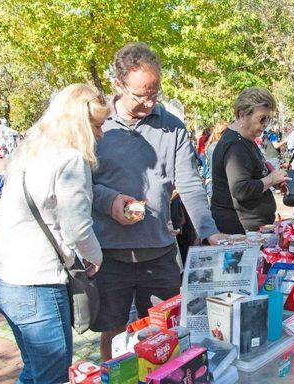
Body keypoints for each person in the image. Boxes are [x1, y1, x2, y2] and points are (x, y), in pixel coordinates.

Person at [91, 42, 226, 360]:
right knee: (113, 336)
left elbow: (191, 185)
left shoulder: (173, 127)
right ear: (118, 84)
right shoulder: (96, 126)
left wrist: (209, 231)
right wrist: (112, 203)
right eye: (140, 95)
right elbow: (81, 186)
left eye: (155, 93)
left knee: (168, 332)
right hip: (109, 256)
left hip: (160, 253)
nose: (150, 103)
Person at [0, 83, 107, 384]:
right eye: (96, 126)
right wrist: (96, 257)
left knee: (35, 372)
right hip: (37, 284)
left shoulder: (32, 151)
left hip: (3, 278)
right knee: (51, 375)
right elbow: (77, 225)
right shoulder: (70, 159)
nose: (100, 134)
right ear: (80, 125)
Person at [210, 87, 290, 234]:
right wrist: (271, 180)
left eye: (268, 119)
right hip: (239, 229)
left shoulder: (245, 140)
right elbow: (241, 189)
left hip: (250, 227)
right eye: (261, 118)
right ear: (242, 115)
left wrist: (270, 180)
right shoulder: (235, 145)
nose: (265, 124)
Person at [204, 120, 229, 197]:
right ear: (220, 133)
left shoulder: (214, 145)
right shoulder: (217, 146)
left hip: (215, 186)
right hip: (217, 187)